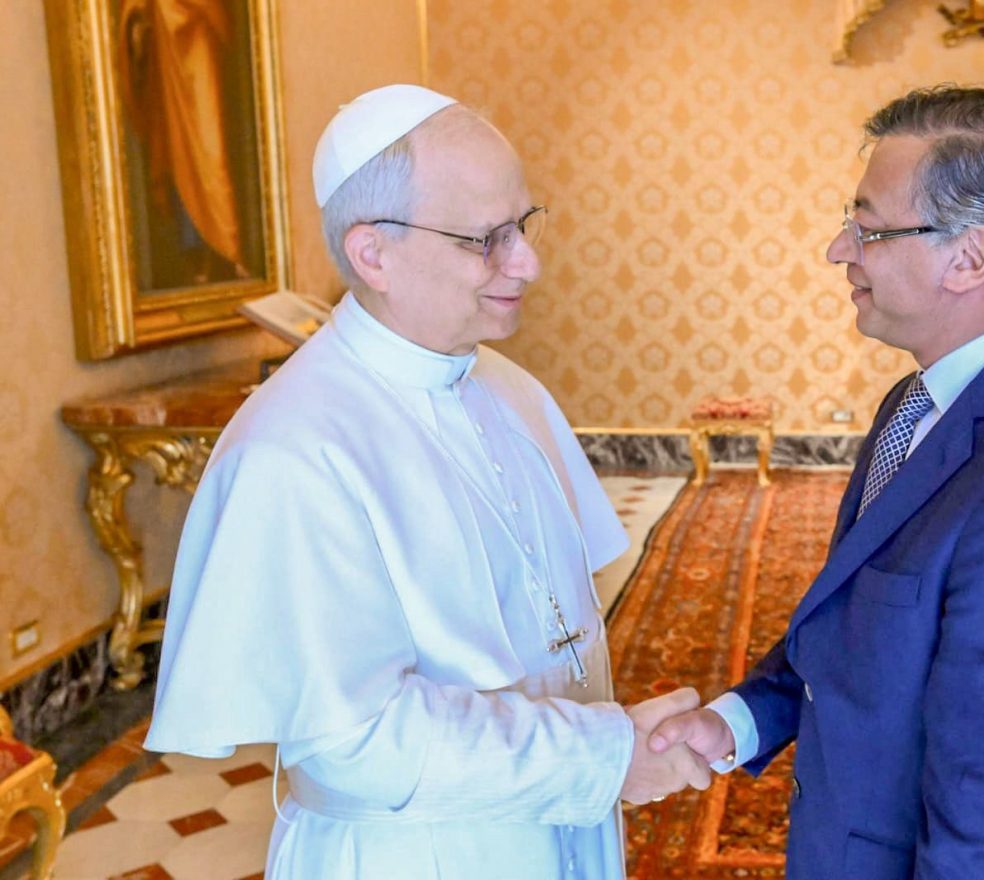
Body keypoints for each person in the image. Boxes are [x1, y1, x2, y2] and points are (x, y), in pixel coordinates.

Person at [145, 84, 710, 880]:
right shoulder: (294, 448)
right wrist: (606, 756)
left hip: (560, 824)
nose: (527, 262)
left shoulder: (510, 389)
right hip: (414, 854)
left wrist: (607, 754)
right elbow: (357, 742)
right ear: (373, 253)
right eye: (486, 239)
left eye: (523, 225)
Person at [651, 85, 984, 879]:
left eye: (869, 228)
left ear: (972, 257)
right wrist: (743, 718)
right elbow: (869, 615)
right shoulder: (929, 395)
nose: (839, 250)